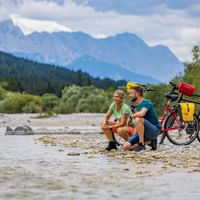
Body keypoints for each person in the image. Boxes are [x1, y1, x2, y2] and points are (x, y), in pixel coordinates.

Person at [124, 86, 161, 151]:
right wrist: (133, 136)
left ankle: (142, 144)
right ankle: (150, 142)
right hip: (144, 132)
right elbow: (137, 125)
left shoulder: (146, 103)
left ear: (137, 94)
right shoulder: (138, 106)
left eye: (131, 93)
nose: (130, 95)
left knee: (138, 118)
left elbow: (142, 114)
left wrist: (131, 117)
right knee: (126, 146)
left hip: (154, 130)